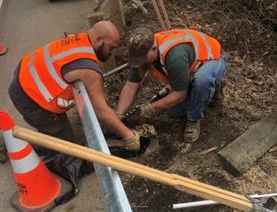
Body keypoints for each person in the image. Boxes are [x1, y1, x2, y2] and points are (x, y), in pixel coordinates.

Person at [8, 21, 140, 194]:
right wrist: (129, 136)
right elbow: (101, 111)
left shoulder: (77, 40)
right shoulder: (88, 69)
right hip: (31, 98)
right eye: (111, 47)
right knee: (63, 146)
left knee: (63, 135)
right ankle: (13, 144)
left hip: (25, 75)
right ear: (99, 40)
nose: (112, 52)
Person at [116, 27, 229, 143]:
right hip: (190, 68)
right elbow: (130, 86)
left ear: (154, 48)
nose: (141, 62)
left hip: (212, 59)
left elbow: (180, 94)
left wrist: (151, 107)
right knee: (174, 112)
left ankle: (195, 117)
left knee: (202, 81)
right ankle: (199, 90)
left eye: (142, 59)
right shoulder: (141, 51)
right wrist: (119, 114)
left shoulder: (174, 55)